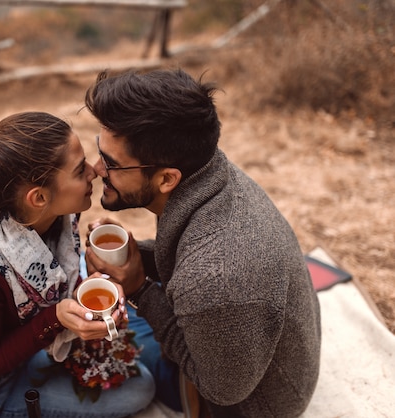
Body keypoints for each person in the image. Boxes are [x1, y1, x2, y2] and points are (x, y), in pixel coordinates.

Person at [83, 69, 321, 417]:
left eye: (112, 164)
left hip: (250, 403)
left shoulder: (216, 277)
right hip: (252, 348)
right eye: (99, 152)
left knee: (91, 349)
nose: (96, 169)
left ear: (167, 178)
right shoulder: (205, 171)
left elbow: (222, 390)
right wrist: (136, 257)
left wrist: (140, 290)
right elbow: (187, 256)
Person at [0, 111, 155, 418]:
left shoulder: (53, 219)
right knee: (141, 389)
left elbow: (62, 277)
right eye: (79, 171)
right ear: (38, 197)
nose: (95, 172)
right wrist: (55, 319)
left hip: (34, 342)